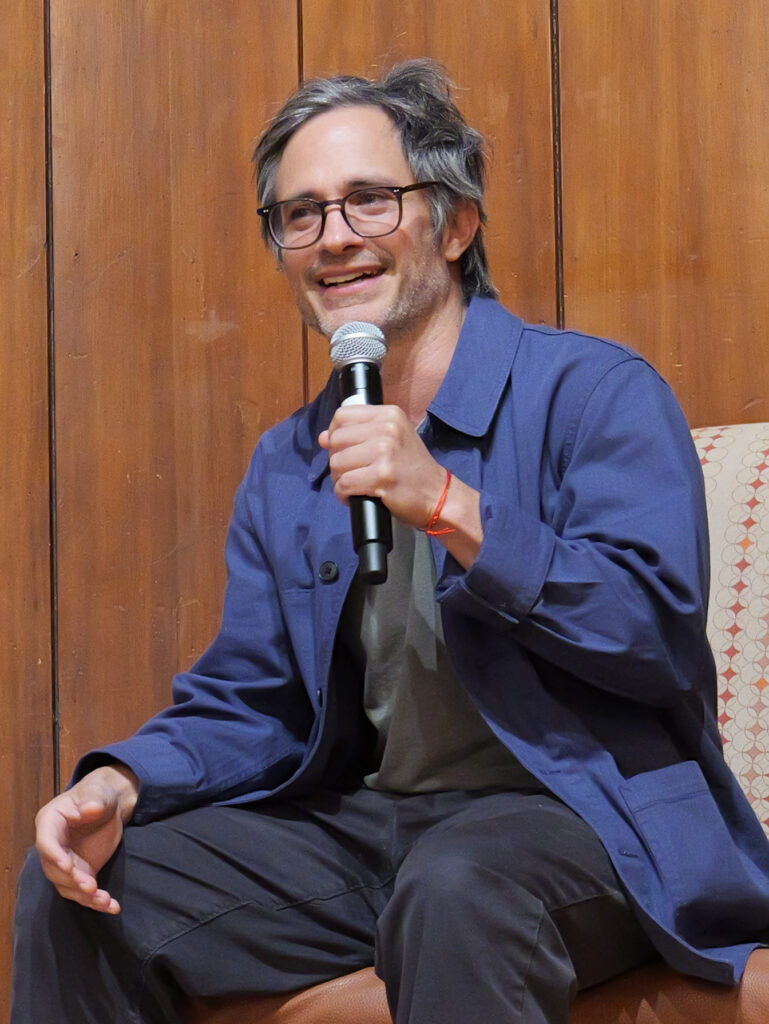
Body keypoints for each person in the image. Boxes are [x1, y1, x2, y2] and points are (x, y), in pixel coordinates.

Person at [12, 58, 769, 1024]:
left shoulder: (593, 395)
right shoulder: (293, 458)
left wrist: (449, 503)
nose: (335, 239)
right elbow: (252, 702)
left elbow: (652, 639)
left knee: (459, 886)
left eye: (370, 202)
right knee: (84, 888)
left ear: (455, 226)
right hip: (381, 832)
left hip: (589, 822)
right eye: (302, 214)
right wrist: (121, 783)